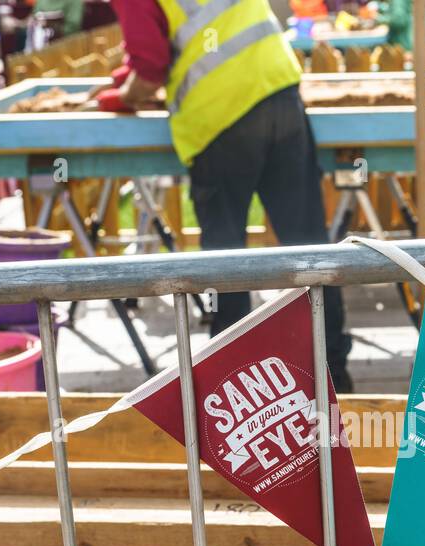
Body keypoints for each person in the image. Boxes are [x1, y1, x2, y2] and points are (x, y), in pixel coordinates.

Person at [108, 0, 352, 388]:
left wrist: (124, 94)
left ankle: (234, 383)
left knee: (225, 260)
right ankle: (334, 375)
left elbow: (151, 68)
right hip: (278, 93)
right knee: (309, 246)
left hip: (220, 118)